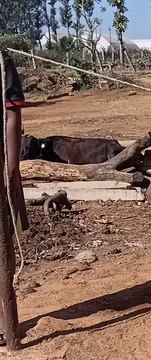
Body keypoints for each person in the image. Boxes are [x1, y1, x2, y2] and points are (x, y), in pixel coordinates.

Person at [0, 49, 30, 347]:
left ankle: (4, 323)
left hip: (0, 167)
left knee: (2, 243)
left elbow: (11, 112)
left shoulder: (0, 59)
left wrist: (10, 168)